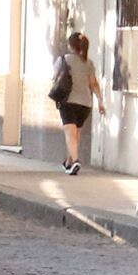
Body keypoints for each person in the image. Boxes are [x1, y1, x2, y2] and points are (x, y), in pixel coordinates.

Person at [52, 30, 102, 175]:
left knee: (69, 132)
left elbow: (54, 78)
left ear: (70, 45)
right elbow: (94, 84)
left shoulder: (63, 60)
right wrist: (100, 101)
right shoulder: (88, 62)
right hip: (85, 103)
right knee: (76, 133)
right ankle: (69, 162)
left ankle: (75, 161)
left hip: (69, 101)